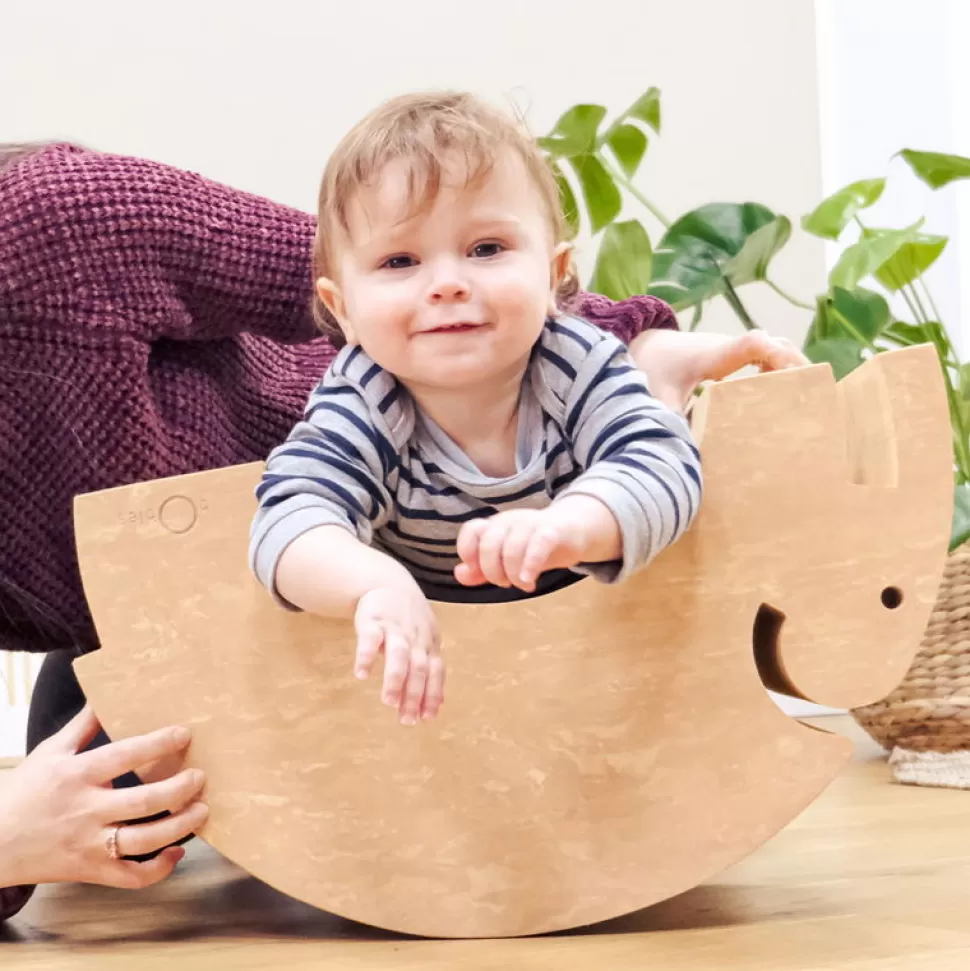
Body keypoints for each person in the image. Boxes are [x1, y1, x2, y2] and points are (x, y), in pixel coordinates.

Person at [0, 137, 805, 921]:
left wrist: (626, 375)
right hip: (251, 582)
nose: (448, 283)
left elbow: (398, 255)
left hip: (402, 471)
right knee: (120, 822)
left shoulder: (50, 226)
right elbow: (299, 507)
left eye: (486, 252)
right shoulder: (350, 421)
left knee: (632, 496)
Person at [249, 92, 702, 726]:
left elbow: (664, 462)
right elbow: (289, 519)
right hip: (435, 689)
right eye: (399, 261)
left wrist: (572, 523)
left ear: (555, 276)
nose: (448, 282)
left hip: (599, 664)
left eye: (486, 248)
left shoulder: (576, 362)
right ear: (343, 308)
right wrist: (372, 583)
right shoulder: (364, 398)